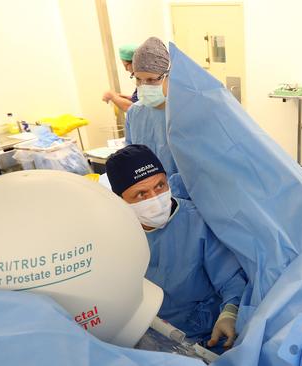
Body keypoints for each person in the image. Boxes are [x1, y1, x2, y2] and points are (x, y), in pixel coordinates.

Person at [106, 144, 246, 350]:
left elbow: (230, 278)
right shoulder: (114, 235)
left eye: (160, 185)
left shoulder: (196, 222)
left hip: (207, 332)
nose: (155, 199)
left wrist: (230, 313)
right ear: (120, 200)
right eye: (141, 194)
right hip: (147, 335)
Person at [124, 37, 177, 177]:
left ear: (168, 76)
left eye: (151, 80)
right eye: (138, 79)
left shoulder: (182, 113)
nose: (144, 85)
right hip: (147, 192)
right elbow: (131, 156)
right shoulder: (134, 113)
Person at [102, 44, 138, 112]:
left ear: (134, 62)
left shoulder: (147, 80)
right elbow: (140, 101)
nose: (126, 69)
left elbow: (134, 109)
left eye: (126, 65)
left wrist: (112, 96)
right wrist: (128, 98)